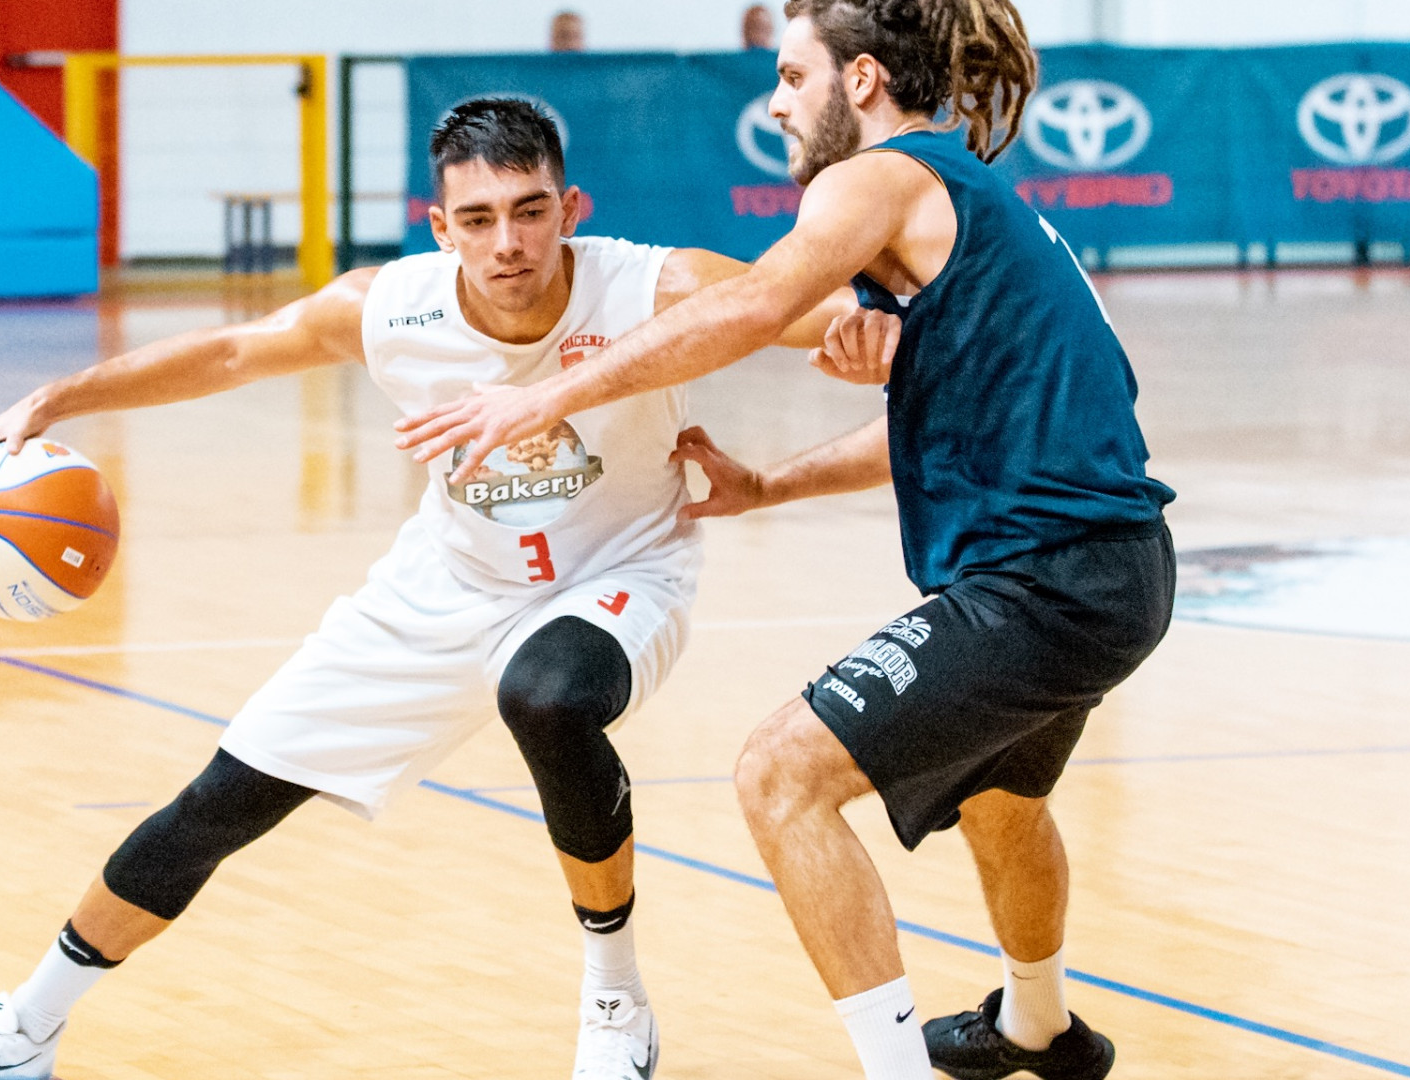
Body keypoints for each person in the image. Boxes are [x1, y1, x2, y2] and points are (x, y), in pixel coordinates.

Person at [0, 97, 854, 1080]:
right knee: (220, 802)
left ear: (571, 208)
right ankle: (23, 1030)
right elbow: (233, 351)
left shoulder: (653, 285)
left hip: (619, 573)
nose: (508, 243)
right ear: (440, 227)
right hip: (447, 583)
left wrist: (866, 340)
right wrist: (55, 399)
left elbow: (820, 312)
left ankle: (615, 999)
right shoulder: (392, 306)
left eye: (530, 211)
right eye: (477, 219)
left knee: (547, 696)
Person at [395, 3, 1176, 1079]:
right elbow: (941, 422)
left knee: (779, 776)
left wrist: (541, 398)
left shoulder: (879, 176)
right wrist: (768, 485)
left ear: (861, 80)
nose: (774, 104)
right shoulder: (965, 199)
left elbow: (758, 304)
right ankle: (1037, 1024)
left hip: (1048, 582)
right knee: (1003, 801)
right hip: (1113, 567)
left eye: (792, 76)